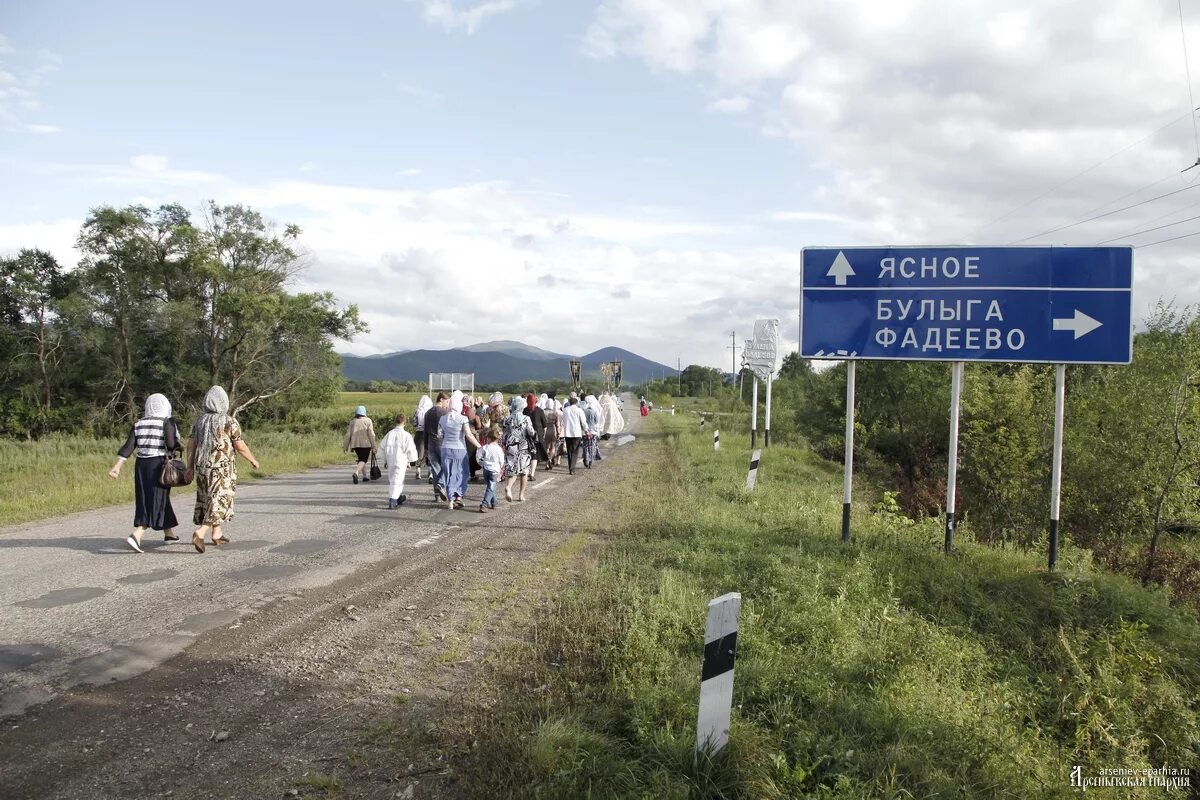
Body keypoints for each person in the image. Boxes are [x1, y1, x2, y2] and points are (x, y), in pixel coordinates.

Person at [187, 385, 259, 554]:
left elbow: (191, 445)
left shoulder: (199, 421)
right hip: (222, 469)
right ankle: (200, 532)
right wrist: (252, 459)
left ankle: (216, 533)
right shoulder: (228, 421)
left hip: (203, 467)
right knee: (220, 499)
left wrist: (189, 466)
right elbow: (239, 445)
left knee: (208, 499)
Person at [108, 393, 182, 553]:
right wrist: (178, 445)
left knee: (147, 497)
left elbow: (129, 446)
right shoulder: (167, 422)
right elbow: (171, 444)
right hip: (159, 465)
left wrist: (117, 466)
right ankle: (137, 534)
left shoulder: (139, 423)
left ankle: (169, 534)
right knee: (157, 499)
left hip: (141, 465)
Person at [439, 389, 481, 509]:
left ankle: (450, 500)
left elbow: (440, 435)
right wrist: (479, 446)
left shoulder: (442, 419)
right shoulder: (463, 419)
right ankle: (458, 497)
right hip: (460, 449)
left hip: (445, 449)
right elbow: (468, 435)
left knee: (449, 474)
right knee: (462, 473)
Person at [379, 413, 418, 508]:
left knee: (393, 478)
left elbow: (382, 448)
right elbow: (410, 449)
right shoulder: (406, 435)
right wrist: (409, 461)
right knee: (398, 479)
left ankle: (398, 497)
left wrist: (385, 460)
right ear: (404, 422)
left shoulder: (389, 434)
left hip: (390, 459)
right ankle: (393, 500)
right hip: (401, 460)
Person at [502, 396, 536, 501]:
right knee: (524, 471)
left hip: (511, 446)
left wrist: (504, 444)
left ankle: (509, 487)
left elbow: (504, 434)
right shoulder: (526, 418)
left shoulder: (507, 419)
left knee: (512, 469)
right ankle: (521, 495)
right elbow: (531, 432)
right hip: (523, 447)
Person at [424, 392, 449, 499]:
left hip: (430, 443)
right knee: (446, 466)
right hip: (442, 442)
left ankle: (437, 495)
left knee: (435, 469)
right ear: (442, 399)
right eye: (447, 401)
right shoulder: (445, 412)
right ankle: (441, 484)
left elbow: (425, 431)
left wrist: (425, 447)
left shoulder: (428, 413)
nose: (447, 404)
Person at [343, 405, 376, 484]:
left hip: (355, 445)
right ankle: (356, 473)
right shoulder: (368, 421)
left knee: (361, 459)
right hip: (365, 444)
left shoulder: (352, 421)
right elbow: (371, 434)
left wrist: (345, 447)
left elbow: (348, 435)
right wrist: (374, 446)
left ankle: (365, 476)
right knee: (363, 460)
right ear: (364, 412)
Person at [475, 426, 504, 513]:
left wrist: (482, 464)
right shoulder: (499, 449)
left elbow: (478, 456)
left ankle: (494, 502)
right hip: (494, 470)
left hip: (486, 469)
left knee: (490, 486)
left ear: (488, 438)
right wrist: (501, 468)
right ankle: (484, 504)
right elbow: (501, 461)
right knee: (491, 487)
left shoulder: (485, 447)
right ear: (498, 438)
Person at [561, 394, 588, 475]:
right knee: (575, 451)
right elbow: (583, 422)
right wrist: (586, 430)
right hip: (576, 433)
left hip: (568, 432)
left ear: (569, 402)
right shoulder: (579, 410)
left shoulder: (565, 410)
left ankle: (570, 466)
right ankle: (572, 468)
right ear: (576, 403)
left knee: (569, 450)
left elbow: (563, 420)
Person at [522, 393, 547, 479]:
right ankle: (532, 474)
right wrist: (543, 436)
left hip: (526, 436)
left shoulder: (524, 410)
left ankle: (527, 471)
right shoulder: (540, 411)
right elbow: (545, 425)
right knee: (534, 455)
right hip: (537, 436)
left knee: (527, 453)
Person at [411, 395, 432, 480]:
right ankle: (430, 471)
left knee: (419, 453)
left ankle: (418, 470)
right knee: (429, 452)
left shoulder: (417, 411)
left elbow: (414, 423)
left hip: (419, 433)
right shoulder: (430, 411)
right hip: (429, 433)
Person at [582, 394, 604, 468]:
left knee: (585, 447)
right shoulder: (594, 411)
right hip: (593, 432)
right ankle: (590, 462)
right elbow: (596, 421)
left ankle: (585, 459)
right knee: (592, 447)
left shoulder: (584, 411)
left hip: (585, 432)